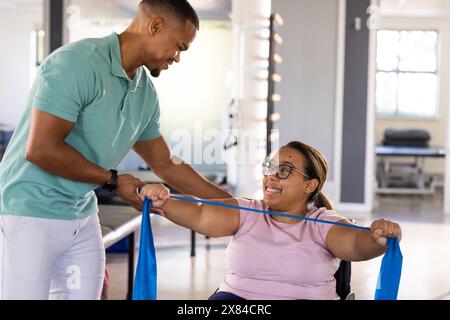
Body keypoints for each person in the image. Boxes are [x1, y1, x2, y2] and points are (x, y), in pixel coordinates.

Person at [0, 0, 231, 300]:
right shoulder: (77, 63)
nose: (177, 57)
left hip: (80, 215)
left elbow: (166, 164)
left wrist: (238, 204)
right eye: (179, 47)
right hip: (29, 213)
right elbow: (42, 150)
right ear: (155, 26)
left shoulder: (145, 92)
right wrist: (114, 180)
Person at [139, 141, 403, 300]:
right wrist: (165, 201)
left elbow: (355, 244)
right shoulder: (247, 212)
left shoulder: (323, 223)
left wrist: (376, 238)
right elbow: (200, 213)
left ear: (309, 185)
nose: (271, 177)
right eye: (270, 168)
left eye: (284, 171)